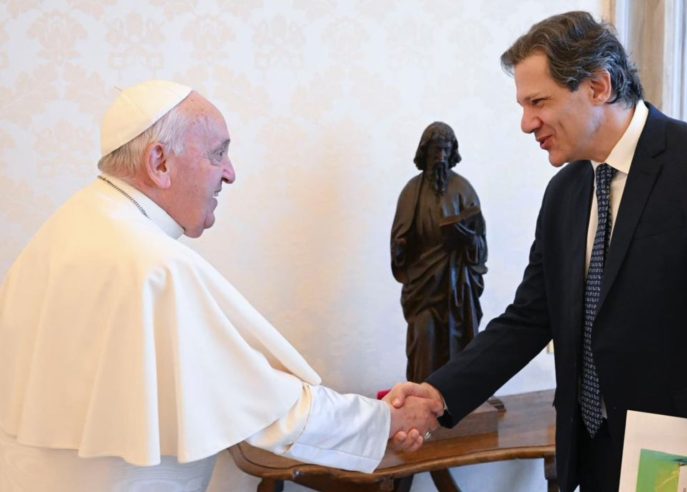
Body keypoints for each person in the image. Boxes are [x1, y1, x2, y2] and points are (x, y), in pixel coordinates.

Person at [0, 80, 441, 492]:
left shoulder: (72, 226)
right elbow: (266, 408)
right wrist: (386, 421)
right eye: (217, 154)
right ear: (159, 162)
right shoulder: (150, 263)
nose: (229, 174)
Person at [387, 11, 687, 492]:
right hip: (590, 459)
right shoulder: (564, 192)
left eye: (538, 102)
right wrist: (439, 394)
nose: (526, 124)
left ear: (599, 86)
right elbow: (529, 317)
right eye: (522, 106)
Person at [391, 121, 487, 383]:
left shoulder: (464, 190)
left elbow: (480, 246)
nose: (441, 157)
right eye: (435, 150)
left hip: (457, 286)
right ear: (425, 152)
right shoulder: (412, 192)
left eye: (445, 150)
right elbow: (399, 239)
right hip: (423, 286)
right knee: (425, 340)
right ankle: (422, 401)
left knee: (461, 342)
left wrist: (466, 240)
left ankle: (460, 398)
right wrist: (400, 248)